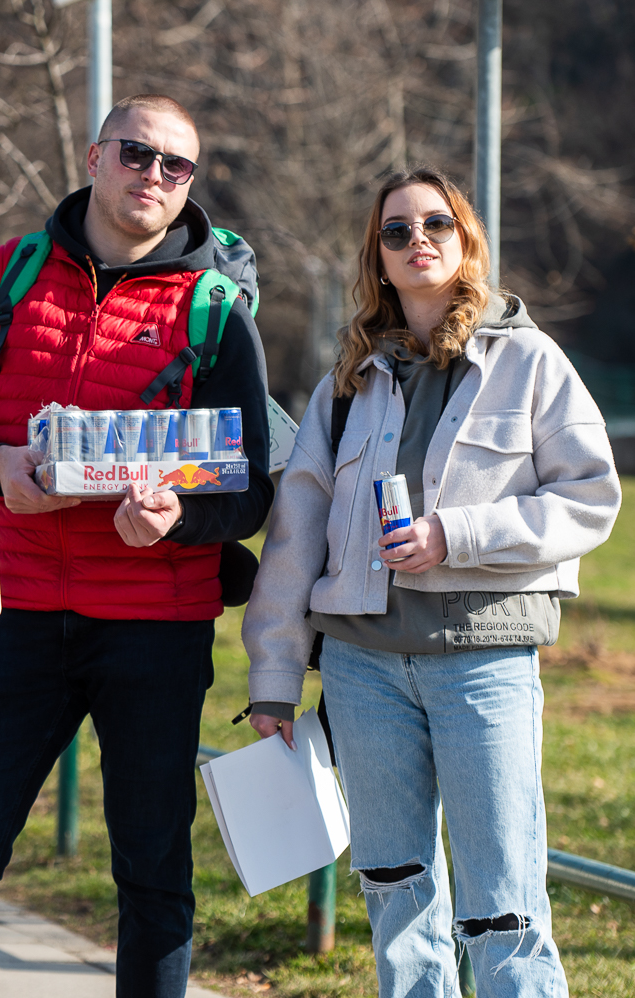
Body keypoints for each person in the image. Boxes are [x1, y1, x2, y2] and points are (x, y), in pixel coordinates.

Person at [0, 94, 274, 997]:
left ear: (191, 188)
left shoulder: (219, 310)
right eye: (138, 155)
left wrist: (177, 515)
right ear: (95, 155)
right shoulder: (1, 276)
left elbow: (250, 488)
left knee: (152, 882)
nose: (154, 177)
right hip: (10, 614)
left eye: (175, 167)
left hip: (154, 629)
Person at [241, 166, 620, 997]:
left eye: (436, 225)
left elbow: (592, 498)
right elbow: (295, 537)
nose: (419, 241)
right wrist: (272, 679)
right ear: (376, 257)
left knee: (504, 908)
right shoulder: (346, 383)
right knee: (395, 893)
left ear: (466, 240)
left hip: (482, 664)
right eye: (397, 231)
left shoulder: (526, 362)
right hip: (361, 670)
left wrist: (458, 536)